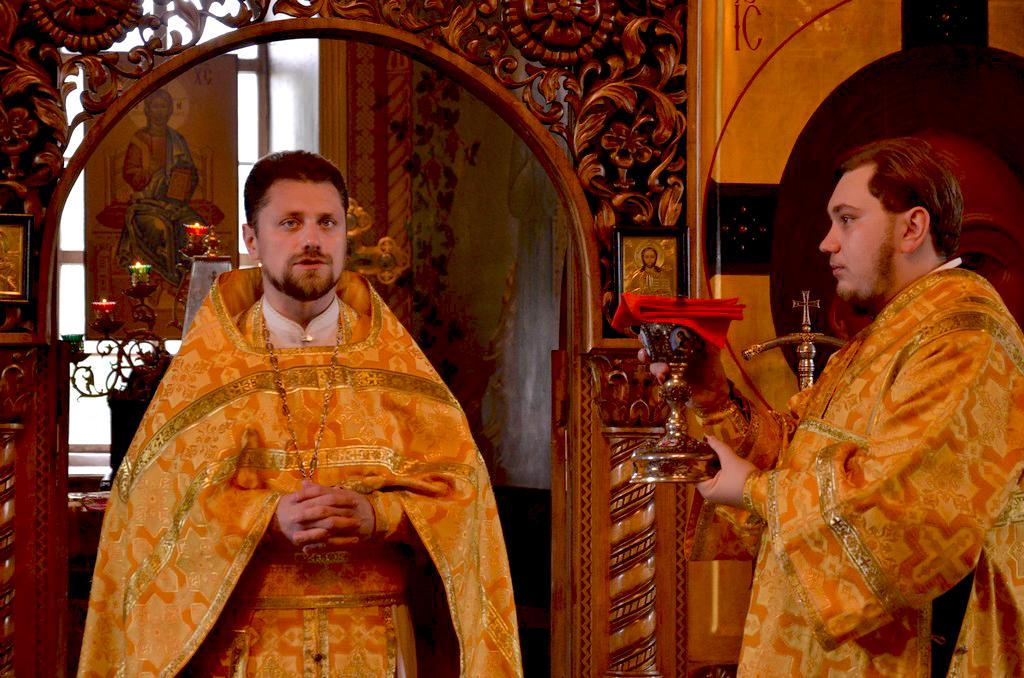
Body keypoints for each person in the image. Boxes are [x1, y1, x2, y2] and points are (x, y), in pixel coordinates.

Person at [79, 151, 523, 677]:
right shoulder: (211, 371)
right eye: (290, 222)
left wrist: (381, 515)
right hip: (244, 649)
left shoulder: (395, 365)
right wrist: (267, 518)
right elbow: (152, 516)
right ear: (252, 239)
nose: (312, 239)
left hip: (379, 643)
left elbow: (463, 502)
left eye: (327, 222)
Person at [651, 137, 1024, 675]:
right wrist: (717, 400)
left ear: (912, 228)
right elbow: (799, 448)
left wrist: (752, 490)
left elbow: (902, 510)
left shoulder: (966, 336)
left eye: (847, 220)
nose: (827, 243)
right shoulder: (892, 330)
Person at [117, 88, 203, 286]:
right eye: (155, 106)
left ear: (170, 110)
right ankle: (170, 277)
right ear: (147, 110)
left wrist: (183, 177)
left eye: (163, 106)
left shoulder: (177, 139)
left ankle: (191, 282)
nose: (159, 111)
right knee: (161, 228)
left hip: (175, 204)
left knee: (196, 223)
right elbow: (130, 173)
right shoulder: (140, 140)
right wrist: (149, 172)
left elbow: (191, 174)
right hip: (146, 205)